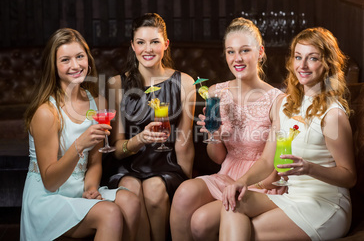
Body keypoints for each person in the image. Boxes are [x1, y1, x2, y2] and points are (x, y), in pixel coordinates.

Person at [219, 27, 357, 240]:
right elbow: (266, 161)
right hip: (292, 194)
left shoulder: (333, 115)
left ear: (327, 63)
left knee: (247, 232)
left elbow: (349, 176)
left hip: (325, 203)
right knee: (233, 203)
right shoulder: (286, 105)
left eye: (312, 58)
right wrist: (242, 181)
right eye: (298, 57)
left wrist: (308, 168)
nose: (302, 65)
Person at [20, 28, 141, 241]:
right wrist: (78, 145)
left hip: (79, 190)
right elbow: (50, 181)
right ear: (53, 66)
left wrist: (92, 188)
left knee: (130, 202)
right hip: (49, 197)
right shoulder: (46, 113)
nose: (75, 66)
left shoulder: (98, 104)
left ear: (88, 59)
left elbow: (94, 161)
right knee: (110, 213)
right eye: (65, 60)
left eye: (80, 56)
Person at [170, 17, 284, 241]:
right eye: (230, 52)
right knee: (183, 192)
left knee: (201, 223)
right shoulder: (215, 93)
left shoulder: (278, 100)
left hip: (260, 181)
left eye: (244, 50)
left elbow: (275, 163)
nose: (237, 59)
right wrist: (214, 136)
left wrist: (250, 184)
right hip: (226, 173)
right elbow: (217, 157)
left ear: (260, 52)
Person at [102, 13, 196, 241]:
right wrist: (140, 139)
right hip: (128, 166)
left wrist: (188, 186)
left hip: (167, 166)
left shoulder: (185, 82)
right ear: (133, 46)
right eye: (141, 42)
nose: (148, 49)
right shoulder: (117, 84)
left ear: (166, 44)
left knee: (154, 190)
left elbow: (184, 143)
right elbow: (117, 148)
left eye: (155, 41)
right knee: (131, 190)